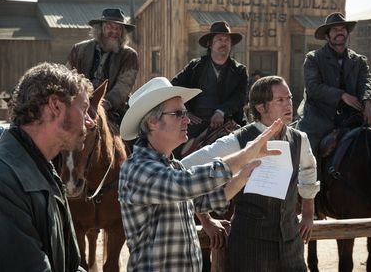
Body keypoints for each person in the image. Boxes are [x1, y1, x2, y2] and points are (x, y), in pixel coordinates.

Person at [118, 77, 283, 271]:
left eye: (185, 113)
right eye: (178, 114)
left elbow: (204, 201)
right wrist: (246, 154)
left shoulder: (174, 166)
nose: (187, 119)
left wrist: (243, 175)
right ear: (152, 122)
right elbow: (186, 185)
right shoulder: (137, 169)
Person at [182, 76, 320, 271]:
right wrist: (205, 218)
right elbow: (185, 169)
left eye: (289, 98)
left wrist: (308, 211)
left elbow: (309, 169)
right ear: (260, 107)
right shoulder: (238, 140)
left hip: (290, 244)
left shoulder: (299, 139)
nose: (288, 104)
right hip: (249, 245)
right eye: (279, 100)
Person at [0, 62, 95, 271]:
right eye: (84, 109)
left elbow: (69, 266)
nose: (90, 122)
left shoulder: (42, 170)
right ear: (55, 106)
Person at [297, 12, 371, 168]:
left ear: (347, 33)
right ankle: (311, 188)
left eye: (342, 28)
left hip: (353, 113)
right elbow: (313, 87)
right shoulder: (313, 58)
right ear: (327, 36)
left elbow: (366, 82)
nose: (339, 32)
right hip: (320, 115)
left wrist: (368, 102)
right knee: (308, 153)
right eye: (334, 30)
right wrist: (342, 95)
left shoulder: (359, 61)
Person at [171, 21, 248, 139]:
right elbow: (174, 87)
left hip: (227, 124)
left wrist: (221, 111)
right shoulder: (195, 67)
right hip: (195, 126)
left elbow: (240, 97)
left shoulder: (239, 70)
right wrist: (185, 112)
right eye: (219, 39)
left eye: (227, 40)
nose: (224, 43)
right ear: (210, 44)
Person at [67, 8, 139, 125]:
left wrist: (102, 104)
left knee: (127, 138)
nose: (114, 31)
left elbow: (123, 87)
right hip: (79, 105)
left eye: (118, 28)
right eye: (110, 26)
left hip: (112, 110)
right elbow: (69, 79)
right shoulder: (79, 50)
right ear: (100, 29)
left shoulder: (129, 55)